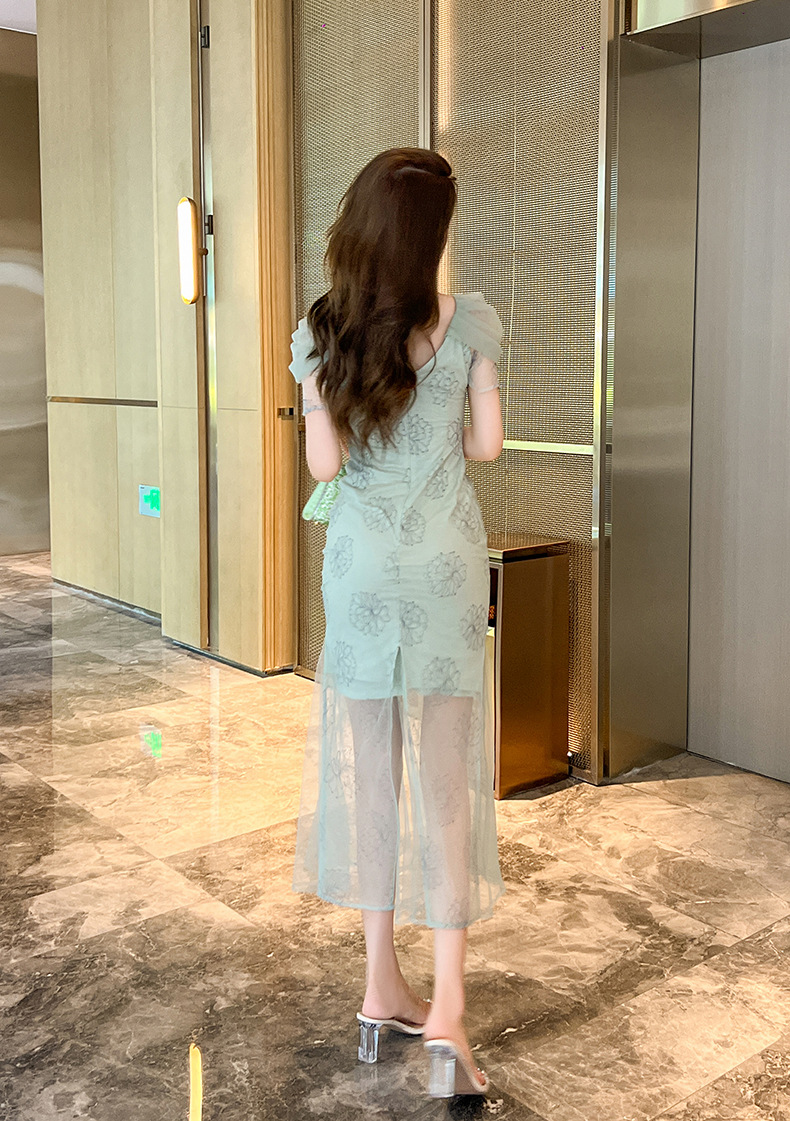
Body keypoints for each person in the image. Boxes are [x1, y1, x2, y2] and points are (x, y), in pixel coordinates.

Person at [288, 146, 506, 1098]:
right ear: (434, 235)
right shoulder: (470, 321)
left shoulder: (323, 330)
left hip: (363, 570)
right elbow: (486, 446)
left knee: (370, 772)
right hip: (446, 567)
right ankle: (447, 1007)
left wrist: (324, 397)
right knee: (447, 783)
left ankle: (381, 983)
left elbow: (325, 467)